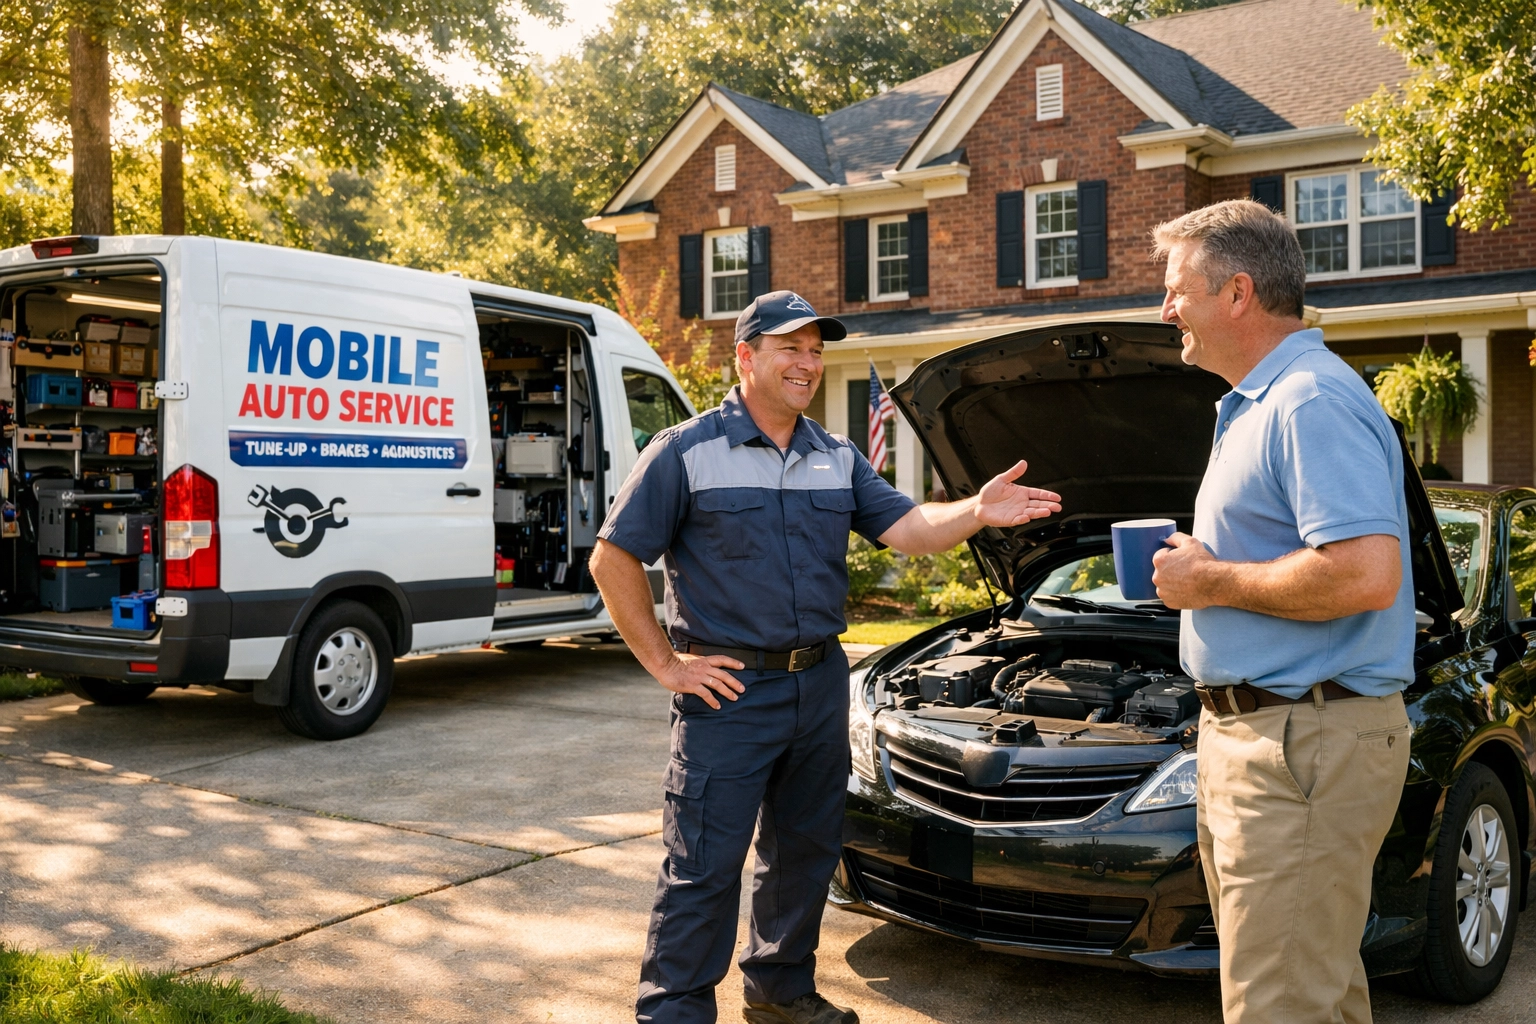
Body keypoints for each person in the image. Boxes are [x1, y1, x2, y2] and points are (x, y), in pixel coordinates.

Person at [589, 290, 1062, 1024]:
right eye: (790, 349)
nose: (808, 363)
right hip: (729, 694)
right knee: (703, 868)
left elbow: (907, 527)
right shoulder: (687, 450)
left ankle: (779, 989)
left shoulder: (834, 456)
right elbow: (613, 558)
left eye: (815, 350)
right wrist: (666, 664)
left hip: (818, 685)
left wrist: (973, 510)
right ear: (746, 357)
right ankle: (674, 1011)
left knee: (805, 853)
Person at [1148, 201, 1415, 1023]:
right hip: (1273, 738)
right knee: (1313, 994)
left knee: (1280, 1006)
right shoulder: (1261, 403)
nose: (1165, 311)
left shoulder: (1307, 400)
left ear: (1236, 293)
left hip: (1305, 741)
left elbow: (1366, 574)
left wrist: (1211, 580)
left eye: (1175, 290)